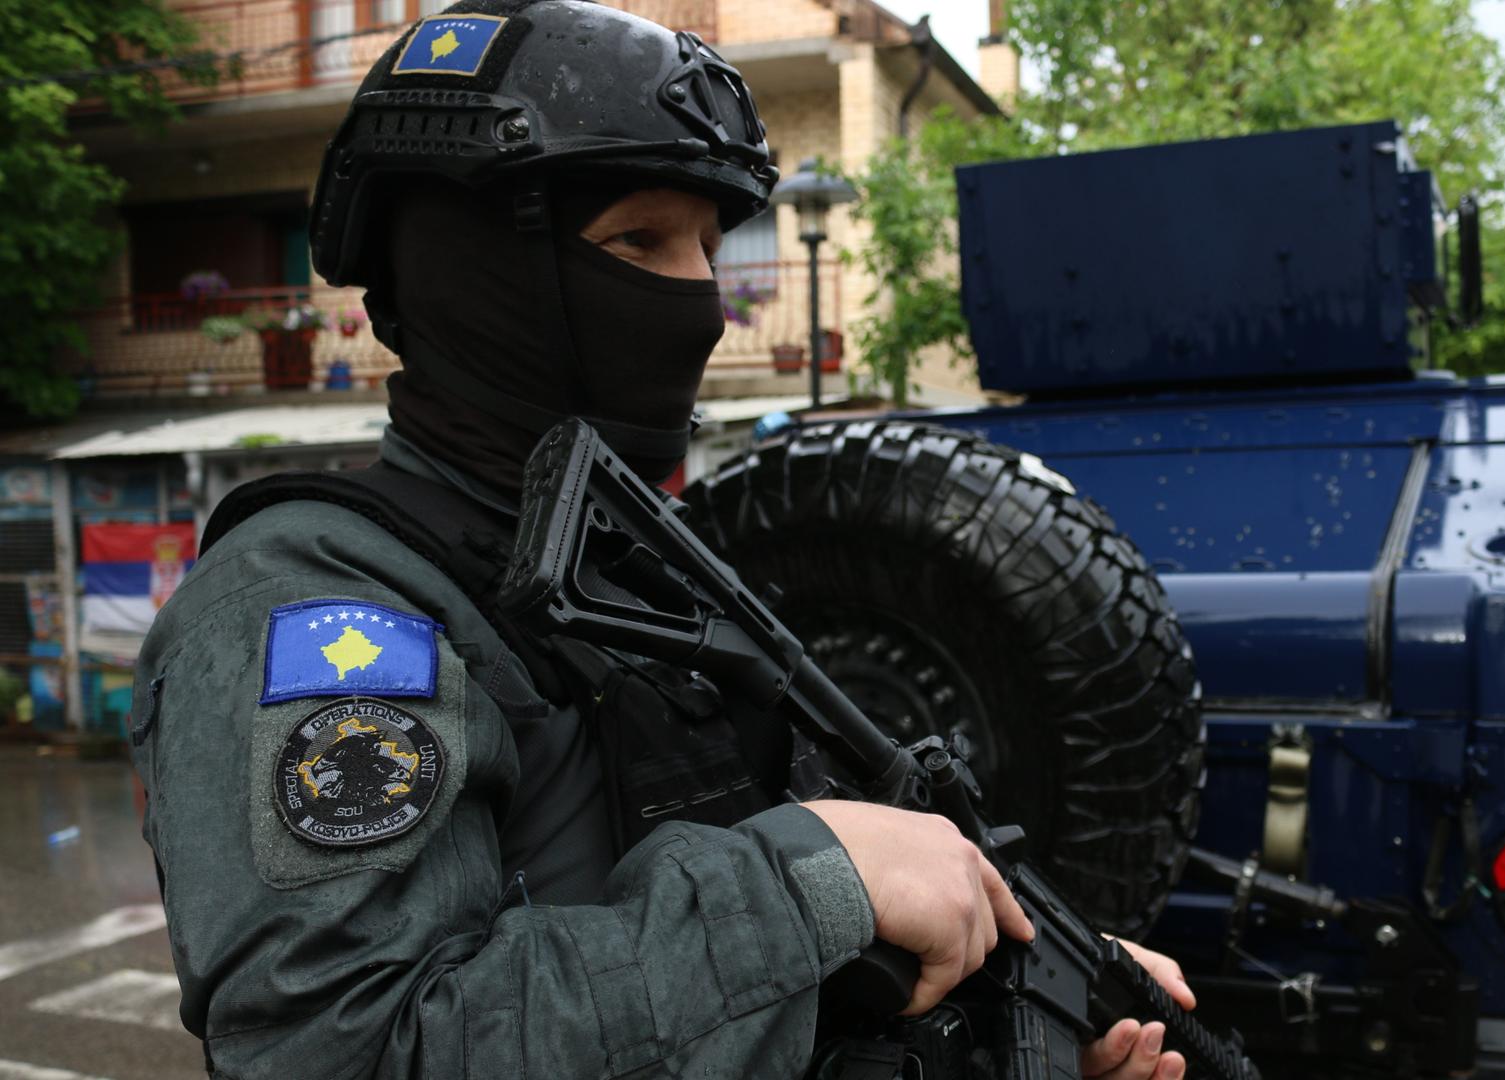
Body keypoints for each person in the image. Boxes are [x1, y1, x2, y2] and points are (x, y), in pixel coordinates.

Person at [131, 2, 1193, 1077]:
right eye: (640, 239)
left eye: (707, 244)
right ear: (470, 270)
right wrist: (809, 884)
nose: (702, 299)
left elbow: (738, 996)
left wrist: (1009, 998)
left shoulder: (635, 571)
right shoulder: (317, 607)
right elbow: (344, 1048)